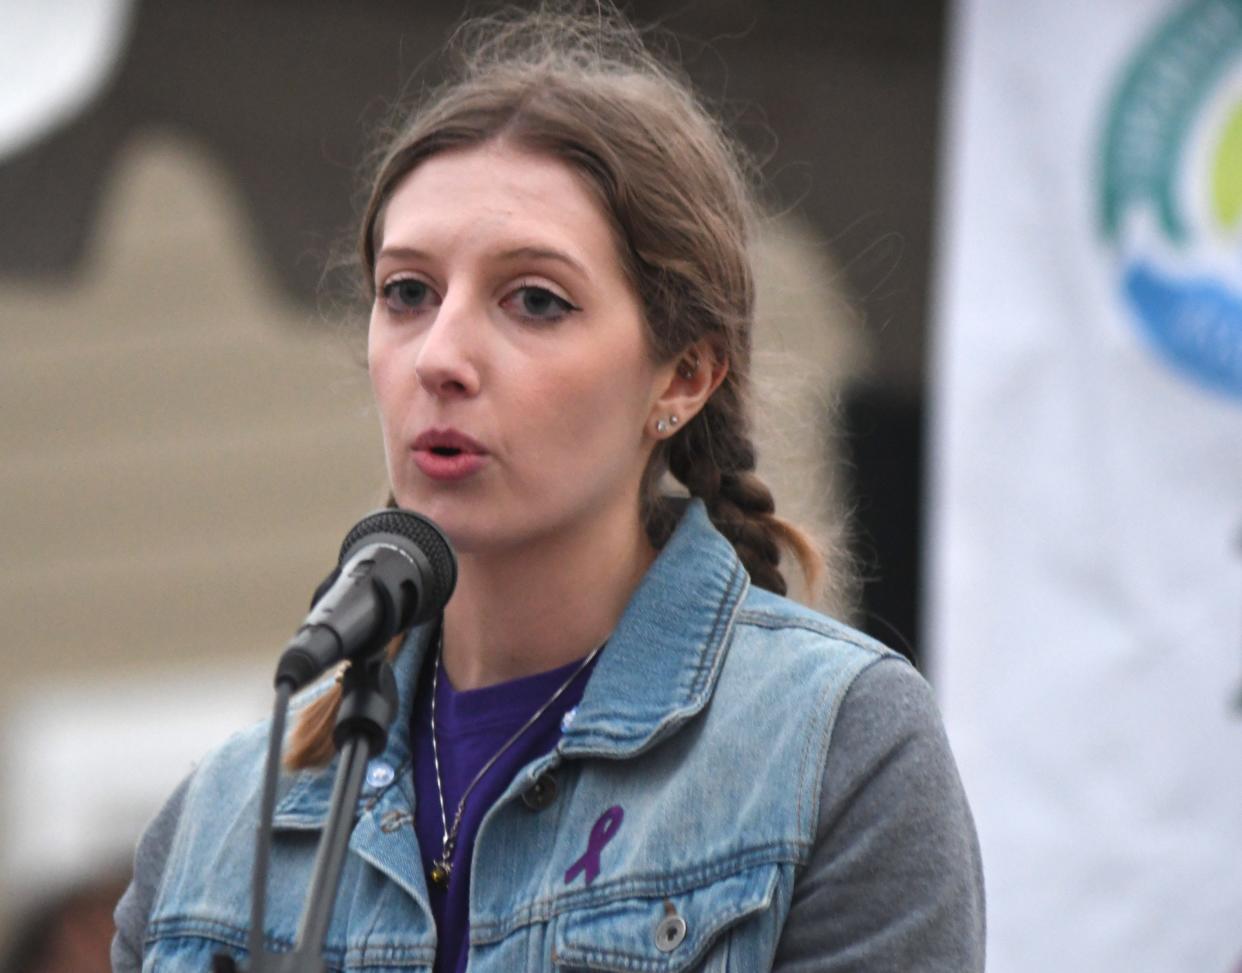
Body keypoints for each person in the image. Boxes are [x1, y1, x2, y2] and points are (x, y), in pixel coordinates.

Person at [112, 6, 985, 971]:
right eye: (407, 292)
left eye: (535, 300)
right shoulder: (217, 826)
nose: (440, 357)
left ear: (683, 376)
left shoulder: (839, 747)